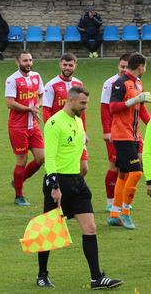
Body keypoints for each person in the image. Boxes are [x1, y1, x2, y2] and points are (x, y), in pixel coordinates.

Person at [37, 86, 123, 290]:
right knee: (49, 232)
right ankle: (42, 275)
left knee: (90, 228)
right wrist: (54, 186)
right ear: (71, 100)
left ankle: (96, 278)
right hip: (59, 183)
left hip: (77, 182)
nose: (85, 107)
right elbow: (49, 157)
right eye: (83, 103)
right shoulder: (54, 123)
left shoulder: (77, 121)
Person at [100, 54, 150, 211]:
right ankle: (125, 210)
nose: (145, 69)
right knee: (136, 172)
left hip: (134, 135)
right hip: (122, 135)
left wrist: (150, 123)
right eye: (145, 66)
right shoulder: (119, 83)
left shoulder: (138, 83)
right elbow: (112, 107)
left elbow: (141, 108)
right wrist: (134, 100)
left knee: (124, 173)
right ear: (140, 66)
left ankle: (115, 211)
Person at [5, 51, 45, 206]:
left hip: (33, 125)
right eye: (25, 60)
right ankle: (19, 195)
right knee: (22, 160)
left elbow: (42, 96)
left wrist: (37, 105)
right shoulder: (12, 80)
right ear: (17, 62)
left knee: (41, 158)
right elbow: (10, 102)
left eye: (30, 60)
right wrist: (29, 110)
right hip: (18, 126)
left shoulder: (36, 76)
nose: (28, 63)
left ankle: (18, 181)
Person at [42, 53, 85, 176]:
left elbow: (82, 110)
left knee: (84, 167)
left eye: (70, 65)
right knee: (59, 165)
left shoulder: (79, 84)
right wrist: (49, 129)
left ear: (75, 66)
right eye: (65, 64)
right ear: (60, 64)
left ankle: (74, 187)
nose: (67, 67)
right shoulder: (51, 85)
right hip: (59, 130)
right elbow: (46, 110)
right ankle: (56, 187)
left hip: (76, 130)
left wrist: (84, 131)